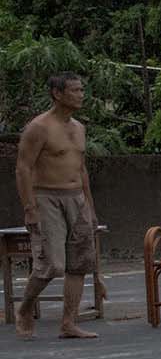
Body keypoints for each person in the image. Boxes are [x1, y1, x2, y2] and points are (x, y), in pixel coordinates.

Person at [16, 72, 100, 341]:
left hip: (76, 198)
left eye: (81, 90)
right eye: (75, 90)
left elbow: (82, 169)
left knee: (80, 263)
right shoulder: (39, 127)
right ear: (58, 94)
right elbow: (23, 168)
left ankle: (68, 322)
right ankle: (25, 307)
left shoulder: (79, 128)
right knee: (52, 265)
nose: (81, 95)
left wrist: (89, 205)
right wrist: (30, 207)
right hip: (46, 198)